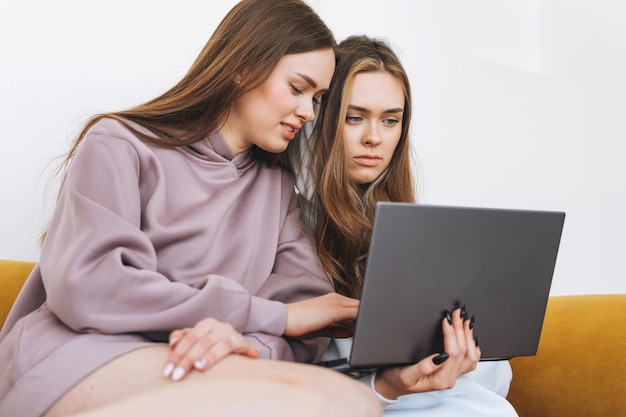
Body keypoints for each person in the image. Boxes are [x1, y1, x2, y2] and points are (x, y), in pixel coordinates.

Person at [0, 2, 382, 417]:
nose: (308, 113)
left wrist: (245, 343)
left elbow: (308, 317)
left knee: (351, 399)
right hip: (77, 355)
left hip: (199, 363)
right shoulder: (119, 144)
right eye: (297, 88)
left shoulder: (277, 189)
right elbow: (90, 287)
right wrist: (262, 316)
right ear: (243, 67)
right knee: (345, 403)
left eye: (318, 98)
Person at [290, 35, 519, 416]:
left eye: (390, 120)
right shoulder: (290, 227)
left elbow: (498, 384)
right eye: (355, 117)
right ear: (323, 118)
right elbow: (297, 385)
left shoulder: (423, 237)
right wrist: (388, 387)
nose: (373, 138)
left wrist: (467, 357)